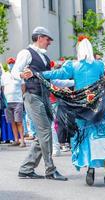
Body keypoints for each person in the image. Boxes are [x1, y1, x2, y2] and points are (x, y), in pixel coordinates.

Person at [24, 37, 105, 186]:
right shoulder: (100, 65)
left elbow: (56, 74)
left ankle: (91, 168)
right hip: (99, 108)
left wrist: (36, 74)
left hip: (82, 109)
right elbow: (104, 80)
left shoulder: (73, 66)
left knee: (88, 138)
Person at [11, 26, 67, 180]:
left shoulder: (45, 58)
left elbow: (53, 80)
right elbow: (14, 71)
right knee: (45, 132)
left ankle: (26, 169)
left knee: (43, 134)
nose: (49, 43)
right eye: (48, 39)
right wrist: (22, 74)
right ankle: (50, 170)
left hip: (44, 96)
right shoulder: (26, 53)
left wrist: (75, 81)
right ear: (40, 37)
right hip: (32, 96)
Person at [1, 57, 26, 147]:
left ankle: (22, 140)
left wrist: (21, 97)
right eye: (9, 63)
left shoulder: (19, 75)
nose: (11, 64)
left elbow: (23, 87)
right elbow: (3, 88)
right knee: (12, 122)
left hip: (17, 101)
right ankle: (16, 140)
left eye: (12, 63)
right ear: (7, 65)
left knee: (19, 121)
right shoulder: (4, 76)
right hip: (8, 102)